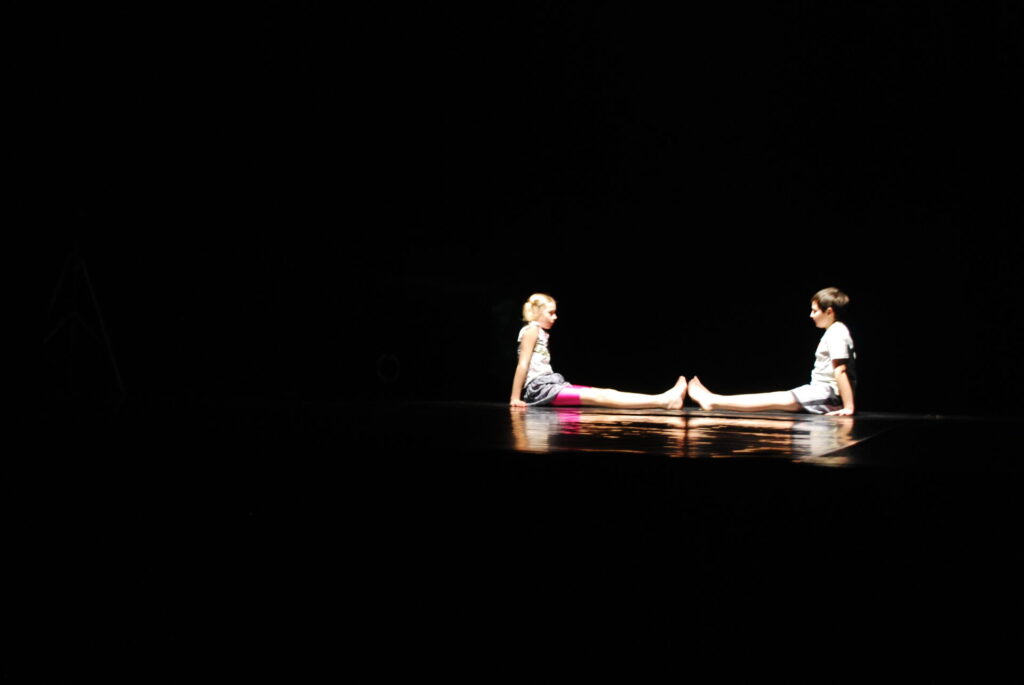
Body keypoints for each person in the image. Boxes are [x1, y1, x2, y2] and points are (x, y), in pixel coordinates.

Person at [687, 287, 857, 416]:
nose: (811, 315)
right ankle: (713, 400)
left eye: (815, 310)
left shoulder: (837, 332)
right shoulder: (834, 331)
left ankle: (712, 401)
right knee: (776, 398)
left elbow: (840, 370)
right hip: (822, 391)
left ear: (829, 311)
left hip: (828, 394)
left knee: (775, 398)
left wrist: (848, 407)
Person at [509, 293, 687, 409]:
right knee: (601, 396)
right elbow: (523, 364)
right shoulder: (531, 330)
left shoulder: (539, 332)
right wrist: (515, 398)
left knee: (607, 393)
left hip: (548, 384)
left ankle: (665, 399)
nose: (555, 317)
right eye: (551, 313)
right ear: (537, 313)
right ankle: (665, 400)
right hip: (539, 389)